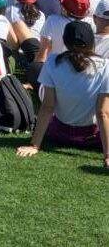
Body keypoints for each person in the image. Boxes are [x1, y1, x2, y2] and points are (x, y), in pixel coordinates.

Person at [16, 21, 109, 160]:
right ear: (92, 41)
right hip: (92, 138)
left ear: (65, 41)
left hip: (58, 134)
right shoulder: (105, 66)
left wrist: (34, 145)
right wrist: (107, 155)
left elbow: (48, 106)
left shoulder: (52, 61)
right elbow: (102, 113)